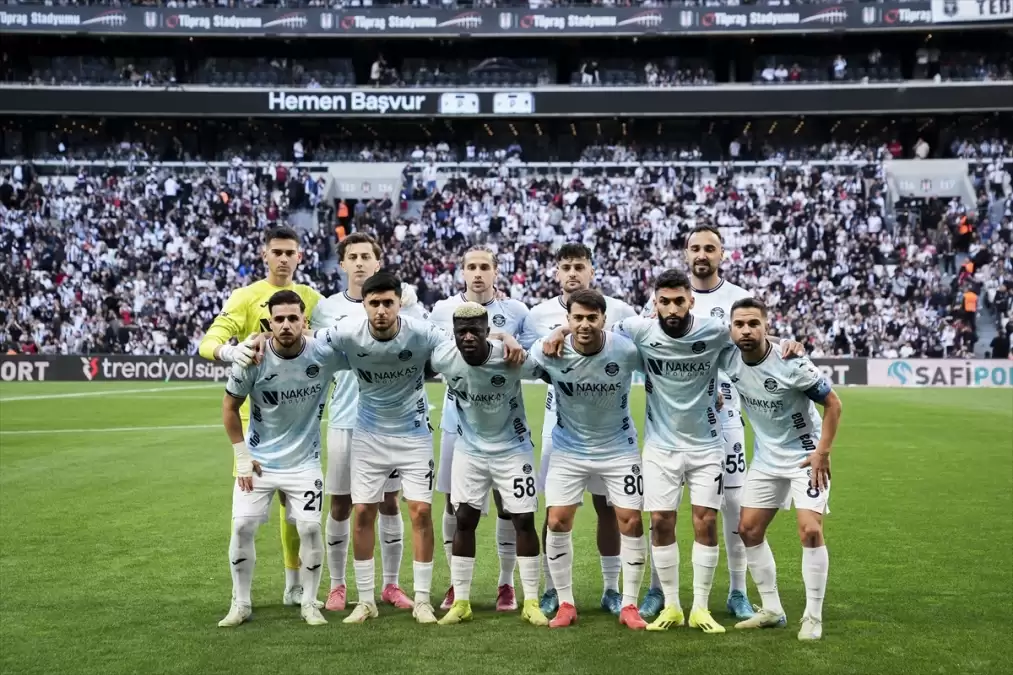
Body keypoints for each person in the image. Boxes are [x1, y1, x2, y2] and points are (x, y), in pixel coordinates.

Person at [316, 272, 523, 624]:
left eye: (388, 303)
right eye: (374, 303)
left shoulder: (422, 332)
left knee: (420, 513)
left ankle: (423, 600)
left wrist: (504, 336)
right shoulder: (347, 332)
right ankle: (365, 601)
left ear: (400, 303)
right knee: (362, 512)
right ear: (364, 305)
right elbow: (307, 342)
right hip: (368, 435)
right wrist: (263, 339)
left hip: (413, 436)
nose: (381, 310)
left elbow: (466, 342)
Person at [606, 270, 804, 634]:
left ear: (691, 301)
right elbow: (596, 331)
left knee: (706, 521)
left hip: (707, 446)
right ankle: (671, 604)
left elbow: (750, 338)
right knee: (660, 521)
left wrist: (786, 342)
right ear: (654, 303)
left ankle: (699, 606)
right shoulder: (638, 329)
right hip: (660, 446)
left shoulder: (713, 331)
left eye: (679, 301)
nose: (672, 308)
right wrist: (558, 332)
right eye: (664, 301)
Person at [199, 226, 323, 608]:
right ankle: (244, 597)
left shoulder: (312, 298)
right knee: (247, 516)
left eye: (290, 252)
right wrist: (229, 352)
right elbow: (208, 342)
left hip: (298, 416)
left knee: (295, 512)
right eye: (276, 252)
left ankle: (294, 585)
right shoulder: (245, 296)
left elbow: (343, 328)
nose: (283, 258)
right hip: (254, 421)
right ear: (264, 255)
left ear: (299, 256)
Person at [638, 225, 757, 621]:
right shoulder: (663, 301)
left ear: (722, 254)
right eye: (695, 248)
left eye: (710, 248)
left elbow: (747, 347)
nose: (702, 254)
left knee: (733, 507)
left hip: (725, 419)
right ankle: (658, 590)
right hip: (671, 422)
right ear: (686, 254)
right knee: (661, 510)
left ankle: (738, 591)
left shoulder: (737, 298)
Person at [218, 290, 350, 628]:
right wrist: (242, 456)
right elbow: (229, 407)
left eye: (293, 318)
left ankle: (308, 602)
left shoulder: (322, 354)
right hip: (259, 461)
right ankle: (240, 603)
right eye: (279, 319)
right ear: (269, 323)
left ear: (304, 321)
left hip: (304, 462)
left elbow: (362, 346)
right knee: (241, 526)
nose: (286, 325)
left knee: (309, 528)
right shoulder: (252, 359)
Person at [518, 243, 637, 617]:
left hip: (611, 431)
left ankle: (611, 589)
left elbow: (642, 348)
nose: (572, 272)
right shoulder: (537, 314)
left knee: (609, 508)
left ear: (591, 271)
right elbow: (528, 360)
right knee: (556, 512)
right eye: (566, 266)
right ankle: (553, 590)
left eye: (579, 266)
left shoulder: (620, 310)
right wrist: (555, 333)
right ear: (556, 272)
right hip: (560, 426)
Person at [310, 233, 427, 613]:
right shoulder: (327, 309)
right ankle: (338, 585)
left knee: (390, 502)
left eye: (366, 256)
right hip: (346, 419)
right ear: (342, 263)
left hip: (392, 422)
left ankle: (391, 585)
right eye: (352, 256)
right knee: (342, 504)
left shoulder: (402, 302)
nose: (359, 262)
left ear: (378, 262)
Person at [721, 298, 841, 641]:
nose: (746, 330)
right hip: (766, 459)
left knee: (810, 531)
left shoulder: (791, 363)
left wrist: (822, 452)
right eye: (739, 324)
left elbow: (833, 404)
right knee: (748, 530)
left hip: (805, 456)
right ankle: (772, 610)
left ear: (766, 327)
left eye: (753, 324)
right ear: (730, 329)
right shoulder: (727, 356)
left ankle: (813, 616)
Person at [429, 302, 548, 627]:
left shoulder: (510, 357)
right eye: (461, 332)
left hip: (513, 448)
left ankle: (531, 601)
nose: (468, 337)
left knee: (523, 519)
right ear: (454, 334)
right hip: (470, 450)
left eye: (475, 331)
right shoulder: (443, 357)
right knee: (463, 519)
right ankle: (462, 602)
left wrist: (511, 340)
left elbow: (544, 370)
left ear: (487, 331)